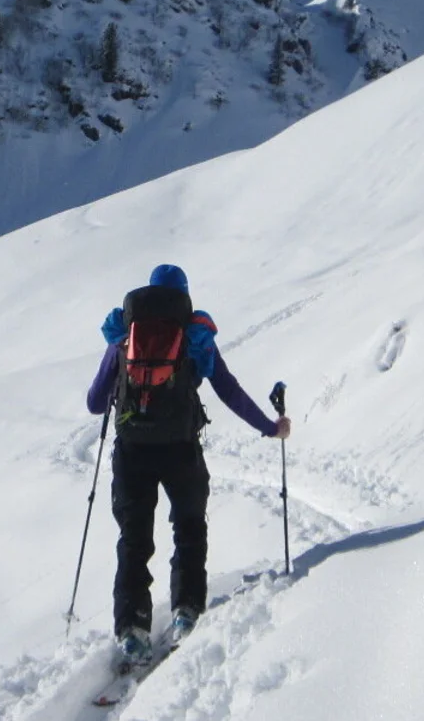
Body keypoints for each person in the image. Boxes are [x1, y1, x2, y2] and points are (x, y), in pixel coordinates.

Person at [85, 263, 290, 664]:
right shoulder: (195, 337)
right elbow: (229, 391)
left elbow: (94, 402)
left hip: (132, 451)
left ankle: (132, 628)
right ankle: (186, 612)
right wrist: (270, 427)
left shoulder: (124, 337)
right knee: (189, 528)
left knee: (134, 539)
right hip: (180, 448)